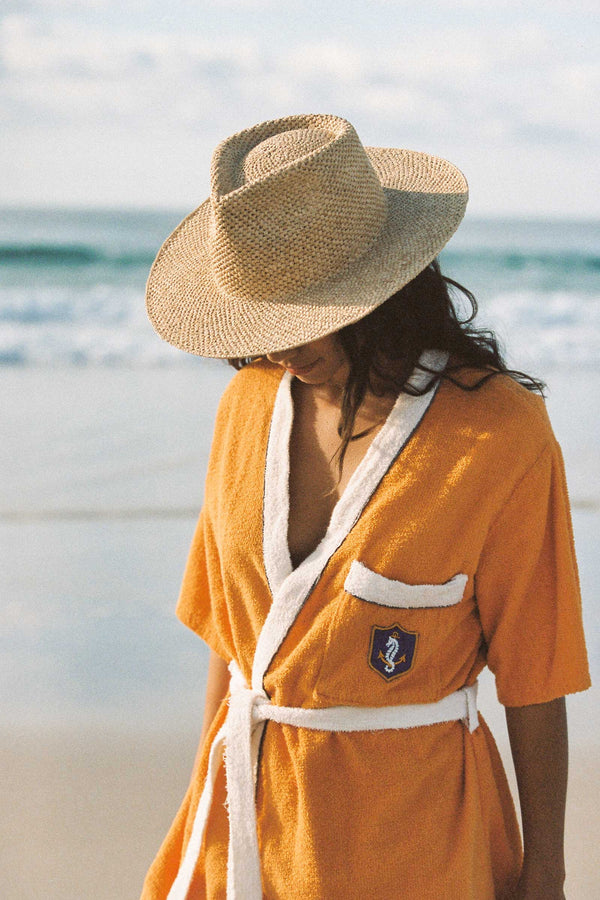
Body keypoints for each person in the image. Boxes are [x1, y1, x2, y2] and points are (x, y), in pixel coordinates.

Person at [141, 114, 590, 899]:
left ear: (381, 284)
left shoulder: (498, 436)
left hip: (412, 841)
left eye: (304, 316)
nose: (278, 348)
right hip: (251, 826)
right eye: (265, 319)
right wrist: (202, 803)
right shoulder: (246, 407)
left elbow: (534, 674)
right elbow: (233, 640)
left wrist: (545, 869)